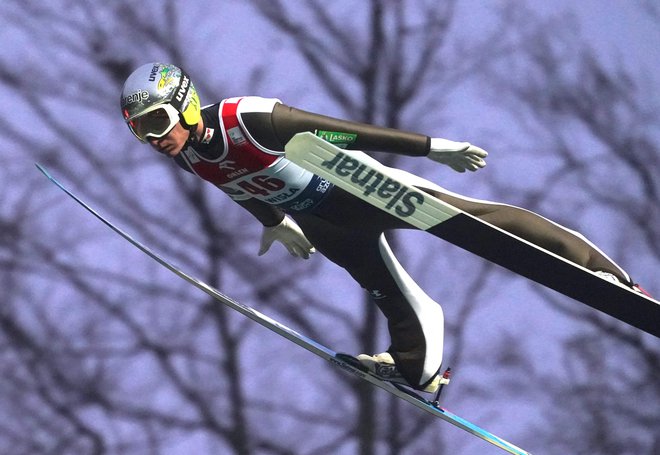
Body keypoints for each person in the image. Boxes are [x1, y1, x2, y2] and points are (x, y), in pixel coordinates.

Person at [120, 62, 647, 393]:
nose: (154, 139)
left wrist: (432, 147)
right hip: (320, 223)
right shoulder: (188, 157)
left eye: (157, 123)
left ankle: (608, 277)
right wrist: (274, 223)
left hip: (357, 191)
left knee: (475, 217)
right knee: (385, 289)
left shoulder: (249, 118)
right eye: (141, 133)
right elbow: (232, 185)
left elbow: (344, 133)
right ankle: (420, 366)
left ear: (186, 104)